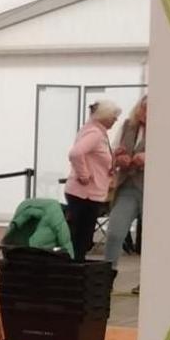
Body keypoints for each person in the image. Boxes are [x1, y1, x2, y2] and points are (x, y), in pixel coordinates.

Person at [65, 99, 118, 260]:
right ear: (104, 116)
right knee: (81, 238)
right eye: (113, 116)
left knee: (81, 237)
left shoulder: (93, 131)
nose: (115, 120)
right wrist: (84, 175)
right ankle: (75, 271)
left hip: (87, 193)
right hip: (85, 194)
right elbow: (75, 153)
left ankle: (75, 267)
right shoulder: (95, 134)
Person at [103, 95, 147, 281]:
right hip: (127, 186)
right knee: (114, 231)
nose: (145, 112)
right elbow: (112, 152)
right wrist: (118, 157)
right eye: (143, 108)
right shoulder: (128, 126)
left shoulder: (168, 128)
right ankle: (106, 277)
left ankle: (149, 285)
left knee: (156, 243)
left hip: (153, 190)